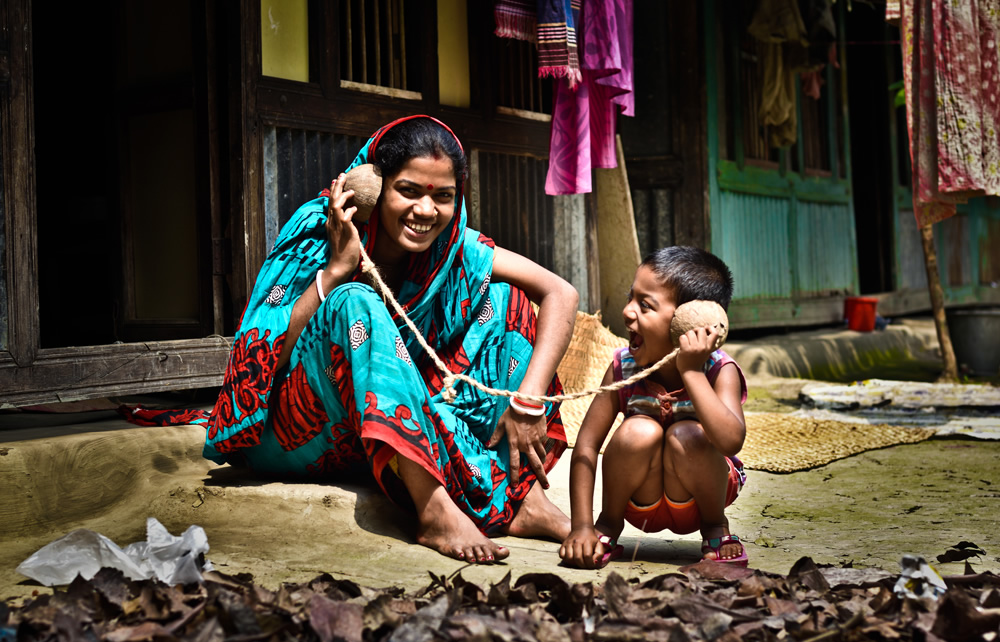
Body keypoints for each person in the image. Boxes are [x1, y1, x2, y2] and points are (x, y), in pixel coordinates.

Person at [204, 116, 578, 564]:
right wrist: (336, 272)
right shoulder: (319, 229)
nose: (426, 211)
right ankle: (434, 509)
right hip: (302, 429)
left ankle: (523, 495)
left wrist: (528, 400)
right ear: (376, 186)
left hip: (387, 429)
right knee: (356, 302)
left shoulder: (453, 245)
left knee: (502, 297)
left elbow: (560, 292)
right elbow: (261, 362)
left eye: (443, 196)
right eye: (409, 190)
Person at [558, 246, 749, 569]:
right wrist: (581, 527)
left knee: (688, 434)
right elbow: (587, 445)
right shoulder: (624, 366)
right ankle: (607, 528)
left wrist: (691, 371)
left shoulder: (718, 369)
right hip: (639, 498)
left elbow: (731, 442)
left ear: (689, 323)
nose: (627, 311)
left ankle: (716, 529)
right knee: (638, 430)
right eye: (631, 297)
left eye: (644, 305)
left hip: (700, 499)